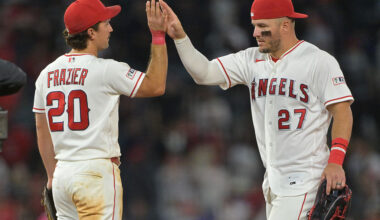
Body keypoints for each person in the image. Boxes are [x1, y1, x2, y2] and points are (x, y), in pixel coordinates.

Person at [159, 0, 354, 219]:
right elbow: (204, 73)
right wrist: (180, 38)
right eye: (254, 25)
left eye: (262, 26)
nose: (255, 33)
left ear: (285, 25)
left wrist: (336, 161)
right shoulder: (251, 59)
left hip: (305, 180)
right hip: (272, 181)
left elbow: (342, 110)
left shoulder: (318, 61)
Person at [33, 0, 168, 218]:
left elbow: (41, 128)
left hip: (62, 176)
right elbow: (156, 85)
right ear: (91, 32)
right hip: (95, 174)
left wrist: (51, 176)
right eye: (106, 23)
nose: (111, 28)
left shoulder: (46, 74)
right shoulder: (106, 70)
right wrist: (158, 36)